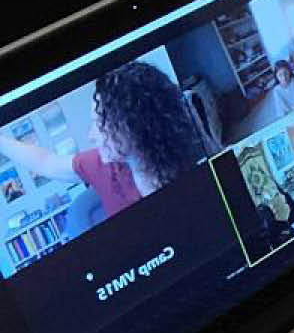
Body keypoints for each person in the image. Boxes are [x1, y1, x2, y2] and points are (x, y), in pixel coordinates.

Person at [0, 61, 208, 223]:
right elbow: (46, 162)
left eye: (100, 124)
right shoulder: (104, 165)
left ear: (133, 124)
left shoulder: (194, 180)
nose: (92, 135)